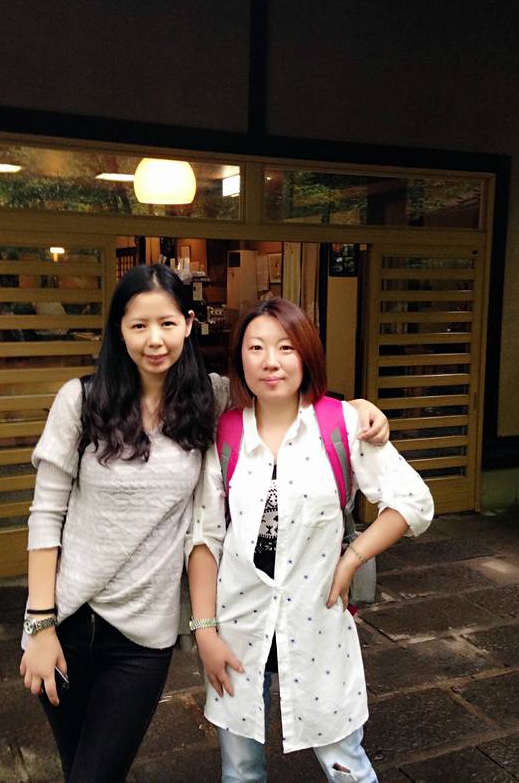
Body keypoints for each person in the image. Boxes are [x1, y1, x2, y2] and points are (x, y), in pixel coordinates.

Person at [19, 265, 390, 783]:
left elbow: (281, 390)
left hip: (142, 633)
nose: (154, 340)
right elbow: (46, 515)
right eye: (138, 325)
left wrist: (357, 409)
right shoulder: (80, 401)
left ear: (189, 324)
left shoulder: (208, 399)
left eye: (167, 323)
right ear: (119, 329)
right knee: (78, 764)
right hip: (66, 620)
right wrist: (40, 624)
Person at [186, 297, 434, 783]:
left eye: (285, 347)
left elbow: (412, 501)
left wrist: (352, 559)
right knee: (240, 771)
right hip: (239, 626)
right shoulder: (226, 433)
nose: (271, 361)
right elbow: (205, 538)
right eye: (256, 348)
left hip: (317, 621)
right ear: (239, 360)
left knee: (346, 767)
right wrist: (205, 632)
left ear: (307, 355)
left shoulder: (342, 424)